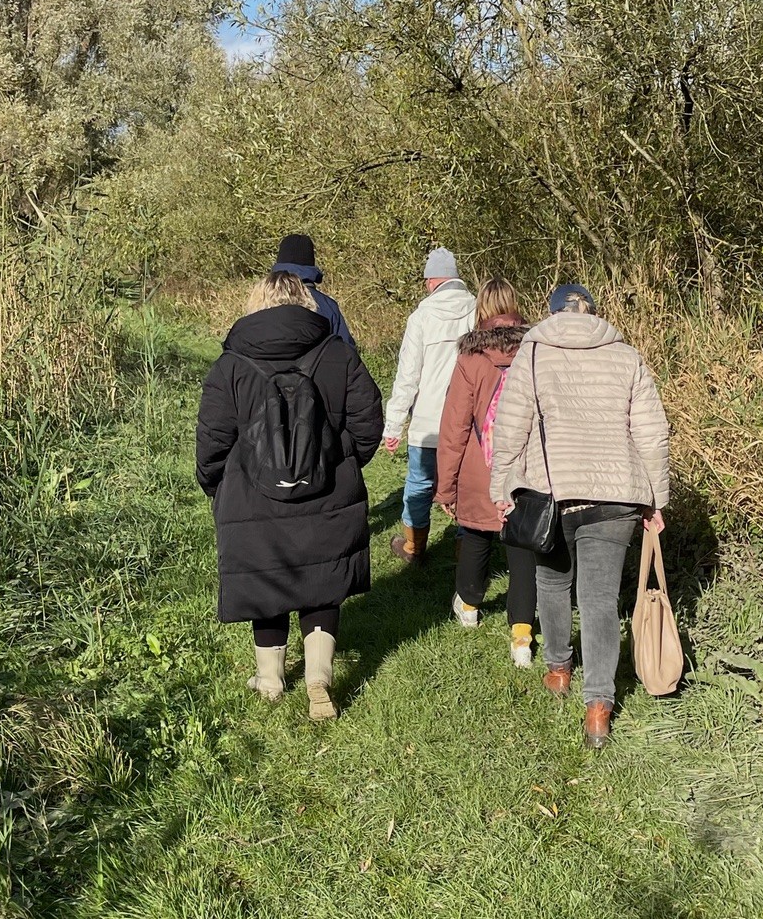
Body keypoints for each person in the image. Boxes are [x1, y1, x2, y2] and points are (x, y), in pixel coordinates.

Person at [196, 271, 383, 720]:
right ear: (306, 301)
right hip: (328, 493)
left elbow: (213, 439)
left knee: (265, 580)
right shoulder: (338, 353)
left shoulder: (231, 363)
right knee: (321, 585)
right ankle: (319, 677)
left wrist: (218, 485)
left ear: (256, 302)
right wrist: (341, 461)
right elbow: (368, 421)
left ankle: (271, 678)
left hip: (252, 497)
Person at [490, 283, 669, 748]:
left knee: (552, 582)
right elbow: (652, 432)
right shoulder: (626, 355)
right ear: (594, 312)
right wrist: (656, 498)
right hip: (616, 495)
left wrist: (501, 486)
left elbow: (511, 425)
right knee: (598, 599)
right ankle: (598, 706)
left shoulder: (533, 354)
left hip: (553, 492)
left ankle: (558, 670)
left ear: (549, 313)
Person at [434, 279, 536, 666]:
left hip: (481, 467)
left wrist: (446, 487)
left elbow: (455, 426)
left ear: (481, 310)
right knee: (522, 548)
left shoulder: (471, 358)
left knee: (476, 538)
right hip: (525, 467)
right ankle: (522, 637)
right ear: (515, 307)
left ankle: (470, 607)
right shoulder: (535, 349)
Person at [383, 248, 477, 563]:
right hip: (468, 420)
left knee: (419, 484)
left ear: (430, 281)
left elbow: (408, 375)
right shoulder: (478, 311)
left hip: (427, 422)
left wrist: (394, 424)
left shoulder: (421, 316)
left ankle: (413, 548)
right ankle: (467, 554)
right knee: (466, 485)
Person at [271, 234, 356, 348]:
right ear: (311, 262)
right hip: (318, 365)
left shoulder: (261, 300)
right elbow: (347, 352)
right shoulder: (328, 306)